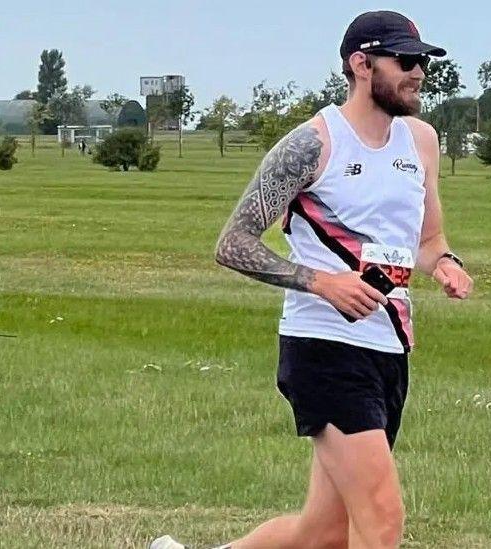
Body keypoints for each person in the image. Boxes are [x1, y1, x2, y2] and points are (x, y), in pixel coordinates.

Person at [150, 10, 473, 549]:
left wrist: (446, 265)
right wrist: (321, 283)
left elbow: (428, 240)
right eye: (407, 61)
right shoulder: (313, 144)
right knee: (382, 517)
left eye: (423, 62)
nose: (420, 73)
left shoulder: (421, 142)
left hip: (388, 348)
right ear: (361, 64)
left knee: (323, 533)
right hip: (323, 348)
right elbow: (233, 244)